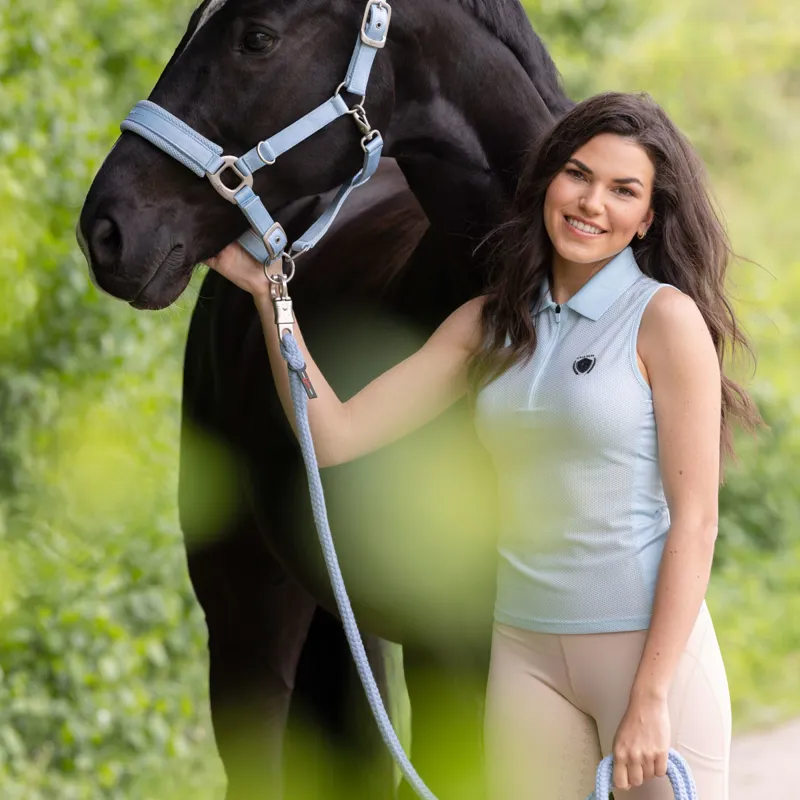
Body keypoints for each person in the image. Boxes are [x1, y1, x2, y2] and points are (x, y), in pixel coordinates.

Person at [206, 92, 761, 799]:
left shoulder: (664, 320)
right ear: (547, 184)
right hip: (525, 656)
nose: (592, 203)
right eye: (579, 175)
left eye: (624, 191)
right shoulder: (488, 325)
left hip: (645, 658)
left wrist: (651, 697)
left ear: (648, 218)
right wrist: (271, 301)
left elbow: (697, 521)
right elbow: (335, 435)